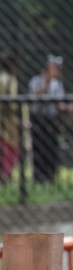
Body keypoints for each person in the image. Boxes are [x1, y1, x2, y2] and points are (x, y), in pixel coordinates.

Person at [28, 54, 70, 183]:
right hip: (38, 119)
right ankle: (39, 176)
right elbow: (36, 95)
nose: (57, 71)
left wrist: (67, 107)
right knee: (39, 148)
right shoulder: (35, 80)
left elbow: (59, 103)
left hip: (52, 119)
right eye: (54, 67)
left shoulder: (57, 84)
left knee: (52, 148)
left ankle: (50, 176)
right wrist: (46, 81)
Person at [0, 53, 25, 184]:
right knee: (11, 147)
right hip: (8, 119)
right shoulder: (11, 80)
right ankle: (6, 174)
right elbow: (13, 103)